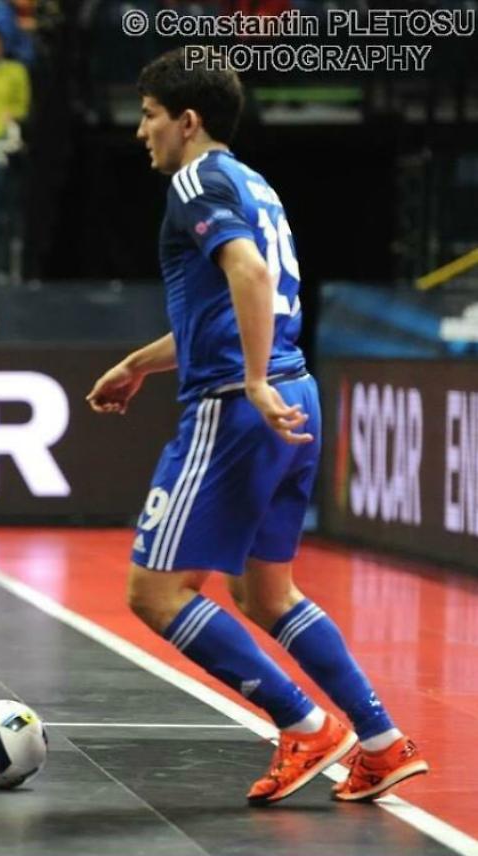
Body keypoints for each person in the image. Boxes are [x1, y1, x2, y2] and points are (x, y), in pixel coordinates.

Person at [86, 48, 427, 805]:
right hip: (294, 394)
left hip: (237, 408)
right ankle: (381, 742)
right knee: (267, 593)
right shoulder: (254, 183)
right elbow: (230, 306)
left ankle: (305, 725)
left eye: (149, 116)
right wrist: (140, 364)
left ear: (187, 120)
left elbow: (251, 276)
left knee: (155, 593)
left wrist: (249, 381)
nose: (141, 131)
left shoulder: (193, 181)